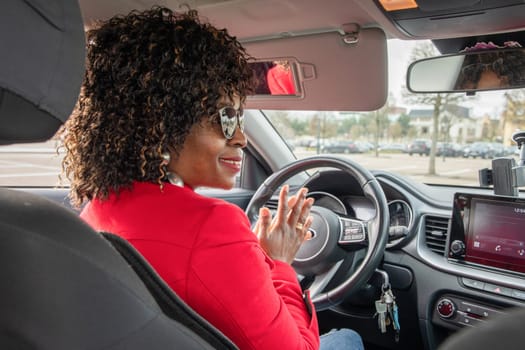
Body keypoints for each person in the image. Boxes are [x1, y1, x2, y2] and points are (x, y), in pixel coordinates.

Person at [59, 7, 364, 350]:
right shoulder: (211, 226)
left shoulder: (99, 207)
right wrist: (278, 263)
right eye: (225, 119)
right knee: (348, 338)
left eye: (240, 120)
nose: (241, 139)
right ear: (163, 123)